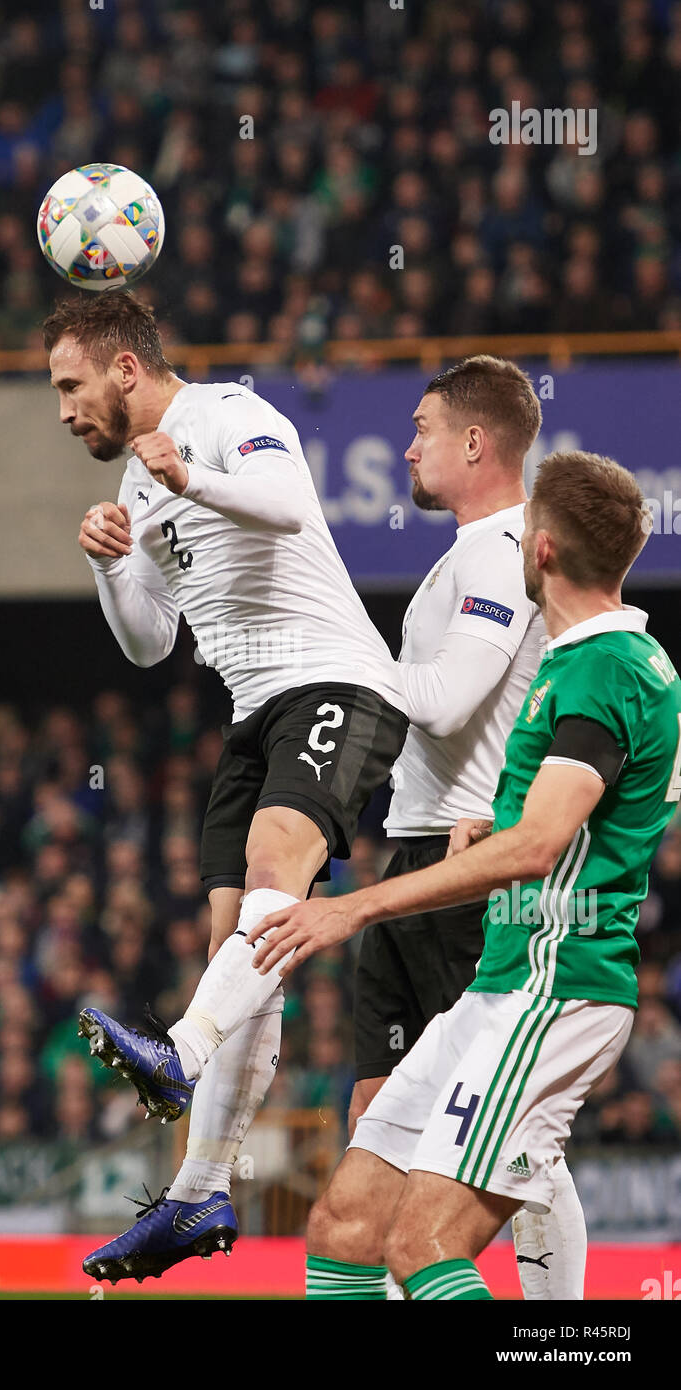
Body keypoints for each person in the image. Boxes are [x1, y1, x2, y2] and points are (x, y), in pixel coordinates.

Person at [247, 450, 681, 1300]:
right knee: (345, 1226)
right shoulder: (601, 661)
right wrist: (501, 824)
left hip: (554, 990)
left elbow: (539, 849)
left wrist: (353, 910)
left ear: (543, 548)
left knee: (426, 1246)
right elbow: (591, 810)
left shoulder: (603, 668)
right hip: (500, 985)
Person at [44, 290, 410, 1280]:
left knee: (268, 866)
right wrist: (111, 568)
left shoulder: (228, 417)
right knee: (242, 948)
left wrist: (194, 477)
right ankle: (199, 1194)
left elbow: (292, 507)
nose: (65, 408)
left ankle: (177, 1057)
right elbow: (148, 642)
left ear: (126, 368)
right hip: (251, 715)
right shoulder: (134, 477)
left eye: (72, 385)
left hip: (335, 680)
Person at [347, 355, 585, 1300]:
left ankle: (563, 1327)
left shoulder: (501, 551)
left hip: (468, 865)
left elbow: (447, 704)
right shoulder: (471, 552)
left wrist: (340, 657)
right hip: (415, 848)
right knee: (377, 1113)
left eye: (423, 429)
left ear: (475, 442)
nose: (408, 447)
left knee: (511, 1135)